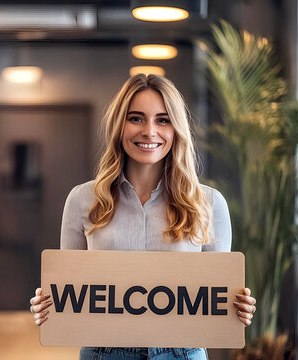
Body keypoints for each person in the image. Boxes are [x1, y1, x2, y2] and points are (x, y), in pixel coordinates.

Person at [28, 74, 257, 360]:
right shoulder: (82, 200)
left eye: (162, 120)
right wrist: (47, 304)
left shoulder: (208, 203)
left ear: (176, 129)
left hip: (182, 354)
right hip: (105, 352)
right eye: (136, 118)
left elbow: (217, 298)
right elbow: (70, 292)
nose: (149, 131)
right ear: (119, 126)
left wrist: (238, 307)